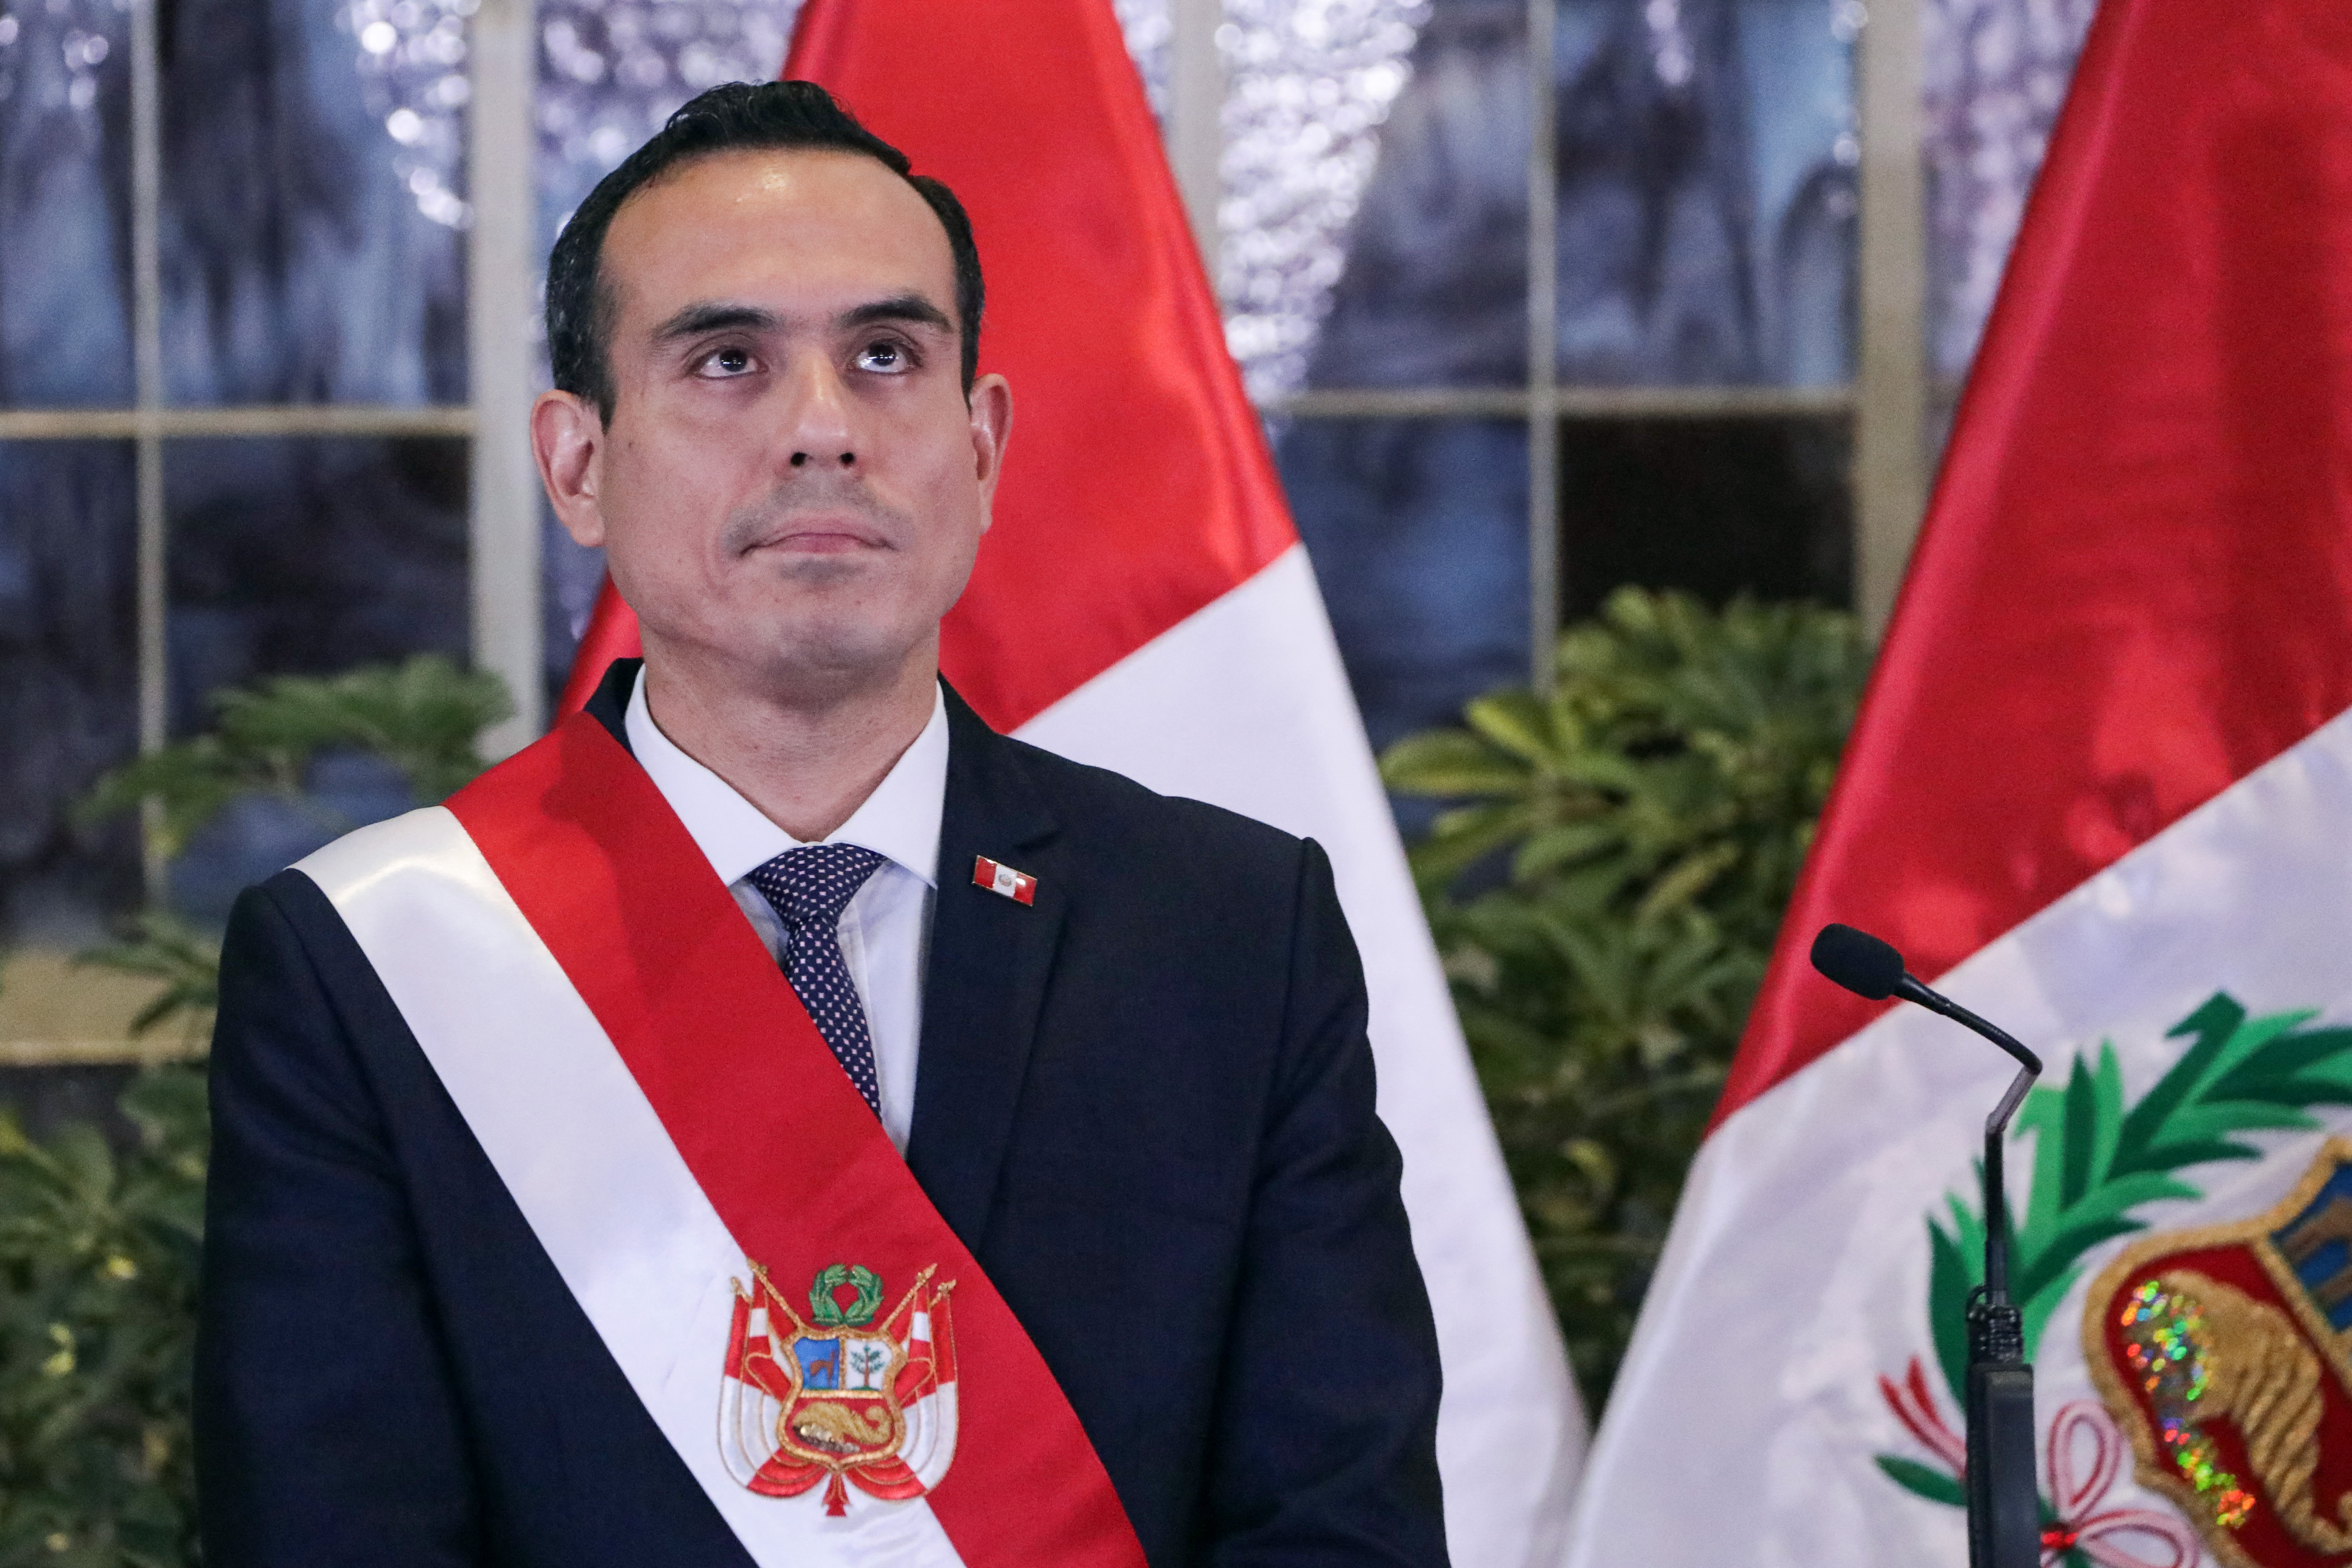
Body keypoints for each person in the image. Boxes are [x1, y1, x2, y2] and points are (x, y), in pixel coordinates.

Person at [195, 81, 1446, 1568]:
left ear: (980, 448)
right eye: (727, 360)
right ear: (579, 464)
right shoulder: (373, 965)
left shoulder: (1230, 931)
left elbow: (1337, 1525)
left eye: (886, 356)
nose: (822, 429)